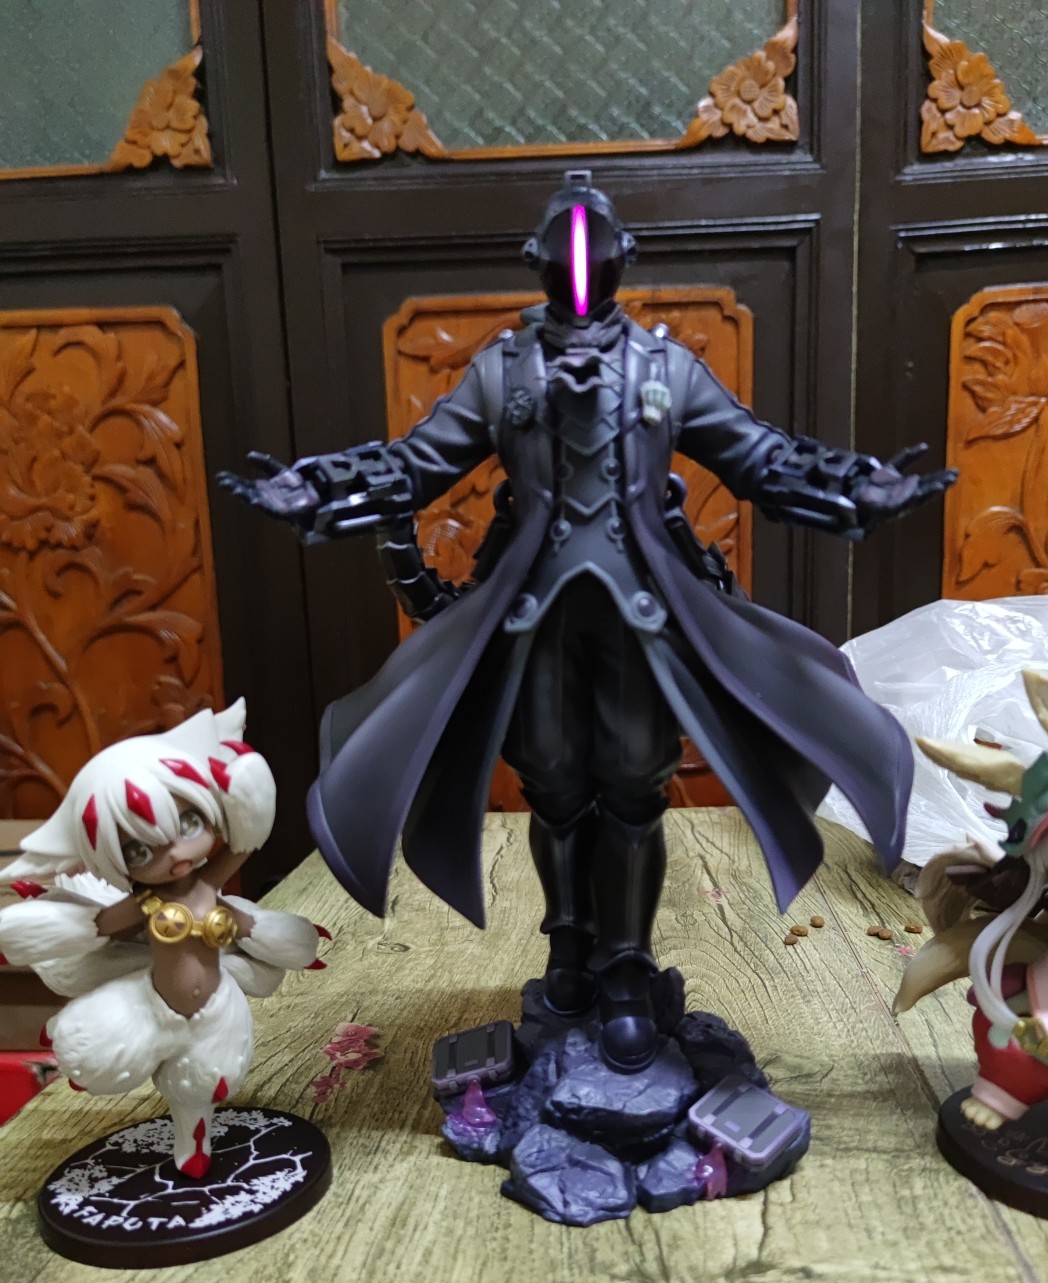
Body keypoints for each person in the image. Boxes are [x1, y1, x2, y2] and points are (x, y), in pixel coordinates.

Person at [221, 172, 954, 1071]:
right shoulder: (503, 369)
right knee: (557, 792)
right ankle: (568, 955)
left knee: (635, 792)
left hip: (641, 620)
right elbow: (416, 465)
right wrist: (319, 489)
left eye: (595, 250)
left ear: (623, 259)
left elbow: (758, 458)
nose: (578, 266)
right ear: (535, 260)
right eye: (563, 253)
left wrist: (854, 487)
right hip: (536, 620)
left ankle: (627, 971)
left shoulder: (663, 369)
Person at [0, 704, 320, 1175]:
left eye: (188, 825)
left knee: (205, 1085)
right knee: (95, 1050)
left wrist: (266, 932)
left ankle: (194, 1147)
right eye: (139, 850)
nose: (175, 856)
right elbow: (96, 926)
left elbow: (244, 845)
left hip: (217, 1009)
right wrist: (39, 927)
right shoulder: (142, 904)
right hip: (151, 1006)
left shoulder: (210, 887)